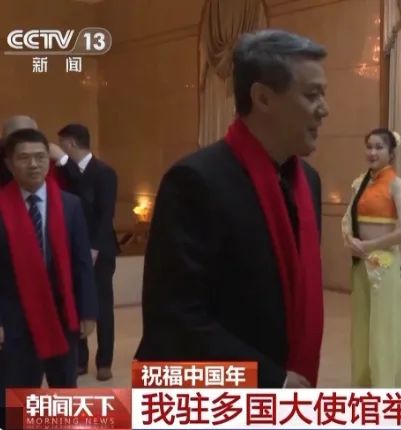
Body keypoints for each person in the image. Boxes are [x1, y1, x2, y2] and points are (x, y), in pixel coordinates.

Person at [134, 29, 328, 388]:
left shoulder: (309, 182)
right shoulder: (195, 182)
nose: (324, 110)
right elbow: (175, 319)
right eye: (312, 95)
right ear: (263, 98)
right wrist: (271, 380)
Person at [0, 128, 96, 393]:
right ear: (9, 164)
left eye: (40, 157)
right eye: (24, 158)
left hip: (62, 316)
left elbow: (82, 264)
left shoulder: (70, 205)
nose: (34, 164)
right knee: (17, 395)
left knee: (64, 391)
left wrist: (88, 311)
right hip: (15, 321)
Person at [342, 128, 401, 387]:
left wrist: (370, 245)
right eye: (369, 146)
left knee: (382, 331)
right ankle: (363, 389)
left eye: (379, 147)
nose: (372, 152)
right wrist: (351, 241)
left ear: (391, 153)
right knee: (362, 329)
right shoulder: (361, 182)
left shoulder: (395, 184)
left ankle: (384, 389)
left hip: (385, 265)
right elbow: (349, 219)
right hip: (362, 263)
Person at [53, 123, 119, 381]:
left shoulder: (104, 172)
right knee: (77, 303)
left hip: (100, 249)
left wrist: (94, 248)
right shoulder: (65, 172)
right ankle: (80, 359)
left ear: (70, 143)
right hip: (73, 248)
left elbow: (105, 215)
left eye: (62, 144)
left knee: (102, 306)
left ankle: (104, 361)